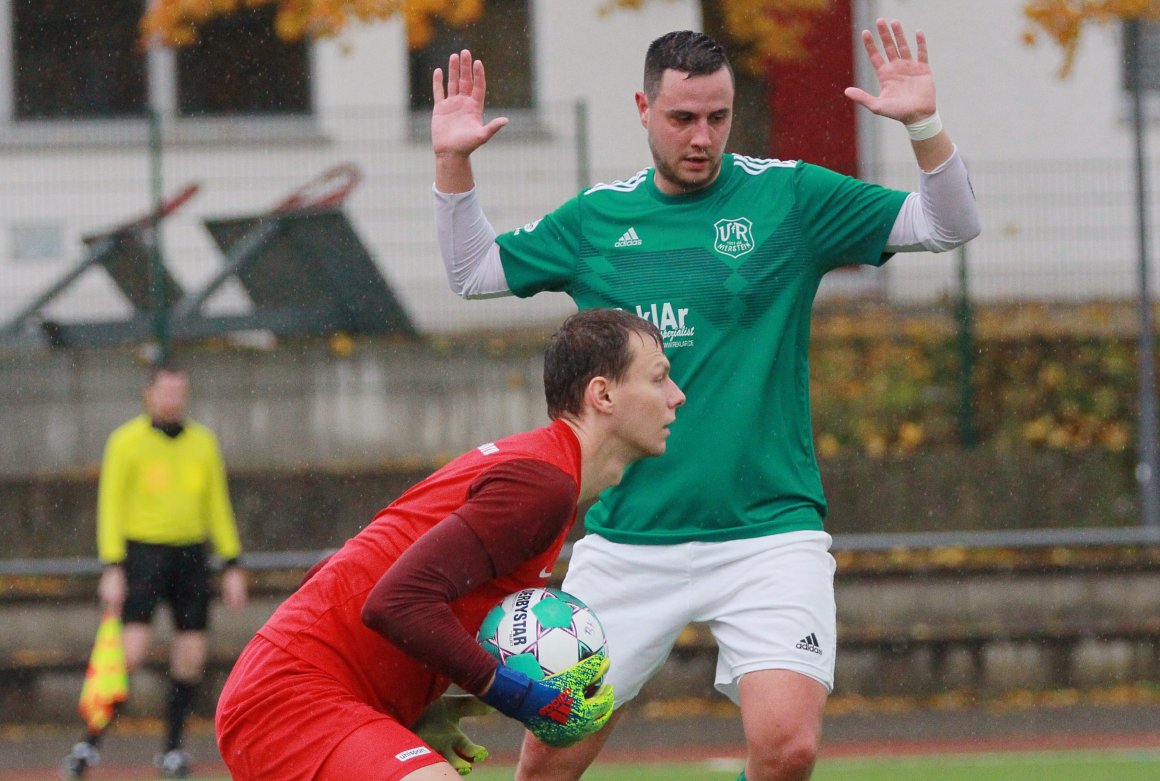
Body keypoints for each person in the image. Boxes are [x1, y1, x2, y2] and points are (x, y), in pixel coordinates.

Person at [430, 18, 981, 781]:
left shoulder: (790, 198)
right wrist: (452, 162)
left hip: (767, 532)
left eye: (718, 117)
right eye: (683, 117)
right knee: (546, 768)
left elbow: (950, 223)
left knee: (787, 746)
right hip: (629, 545)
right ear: (643, 108)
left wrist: (924, 124)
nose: (702, 136)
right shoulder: (598, 219)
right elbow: (473, 271)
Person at [214, 308, 685, 781]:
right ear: (602, 394)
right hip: (289, 700)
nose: (677, 396)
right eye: (659, 378)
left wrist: (413, 709)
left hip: (313, 695)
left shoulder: (538, 467)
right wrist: (509, 692)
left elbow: (341, 569)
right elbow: (394, 601)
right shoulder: (543, 486)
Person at [62, 365, 248, 780]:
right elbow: (109, 505)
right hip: (143, 556)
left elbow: (217, 504)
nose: (172, 398)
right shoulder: (126, 442)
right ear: (149, 394)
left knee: (191, 657)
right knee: (129, 653)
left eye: (179, 390)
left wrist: (232, 562)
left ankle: (173, 749)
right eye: (165, 391)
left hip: (190, 556)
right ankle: (88, 744)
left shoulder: (203, 442)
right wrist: (113, 565)